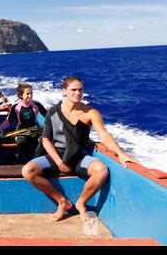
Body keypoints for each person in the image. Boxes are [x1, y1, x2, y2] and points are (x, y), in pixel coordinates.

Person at [21, 76, 140, 224]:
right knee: (28, 170)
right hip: (56, 155)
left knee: (101, 170)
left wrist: (121, 154)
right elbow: (45, 139)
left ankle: (81, 203)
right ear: (64, 91)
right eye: (73, 90)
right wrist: (59, 162)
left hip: (79, 156)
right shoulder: (53, 111)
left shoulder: (90, 113)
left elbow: (103, 134)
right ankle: (62, 201)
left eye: (80, 90)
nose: (77, 93)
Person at [0, 83, 47, 160]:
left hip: (35, 130)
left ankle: (36, 160)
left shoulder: (36, 104)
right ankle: (31, 160)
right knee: (20, 143)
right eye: (27, 94)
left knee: (44, 140)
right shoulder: (16, 106)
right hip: (22, 131)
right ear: (21, 95)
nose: (30, 96)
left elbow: (47, 116)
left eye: (31, 93)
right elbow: (8, 121)